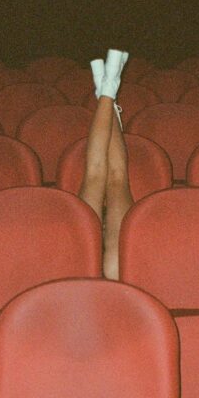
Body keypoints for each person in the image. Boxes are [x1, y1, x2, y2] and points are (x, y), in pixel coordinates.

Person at [78, 48, 133, 280]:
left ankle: (107, 89)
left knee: (103, 174)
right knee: (110, 175)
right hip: (111, 282)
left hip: (84, 278)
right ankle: (106, 89)